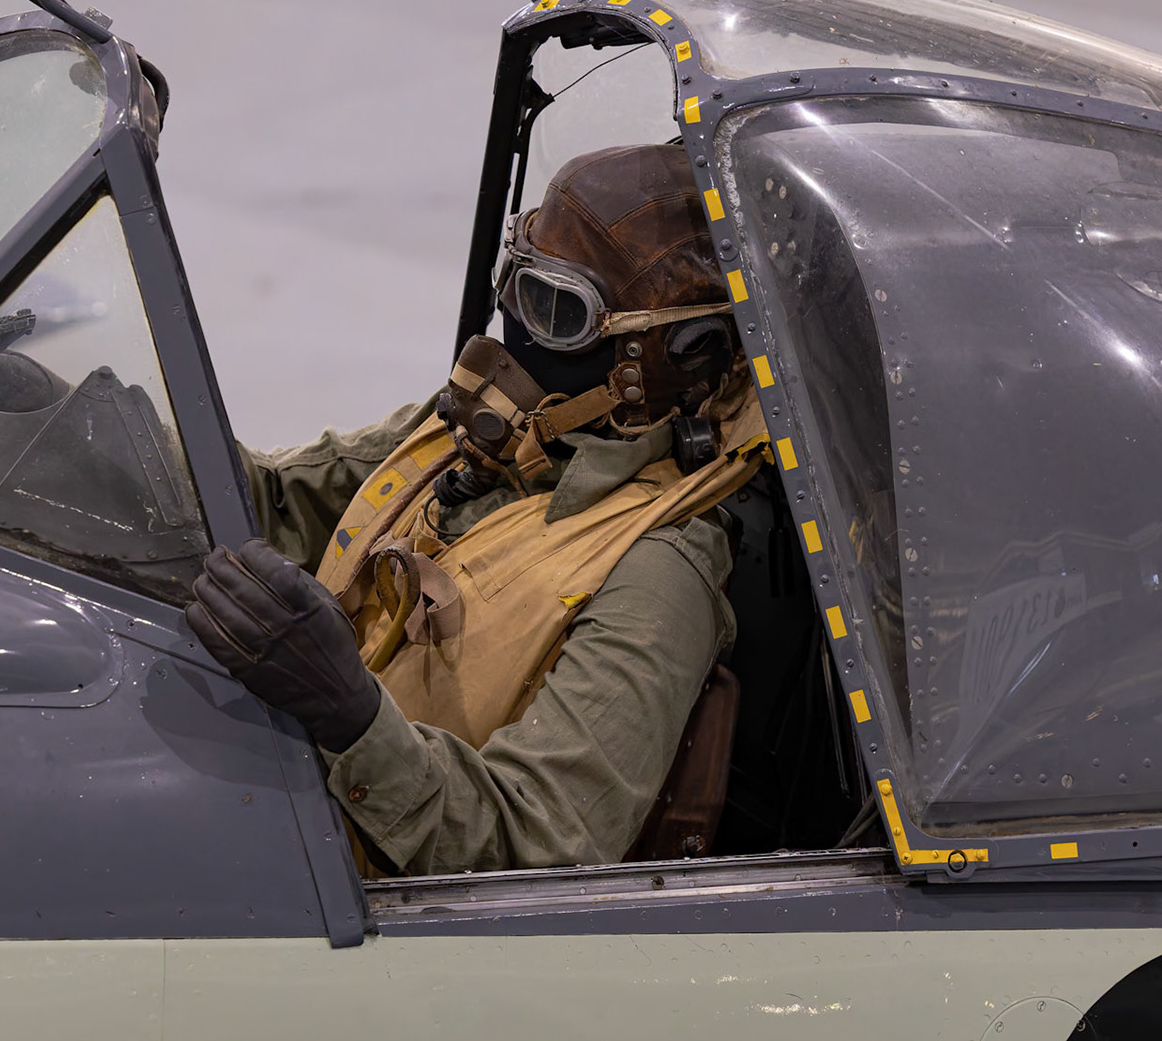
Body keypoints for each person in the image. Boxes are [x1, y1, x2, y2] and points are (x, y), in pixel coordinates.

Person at [185, 144, 766, 875]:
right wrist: (91, 432)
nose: (510, 328)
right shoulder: (488, 434)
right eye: (513, 282)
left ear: (671, 356)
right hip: (292, 811)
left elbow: (535, 847)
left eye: (554, 310)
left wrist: (349, 716)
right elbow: (270, 498)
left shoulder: (656, 579)